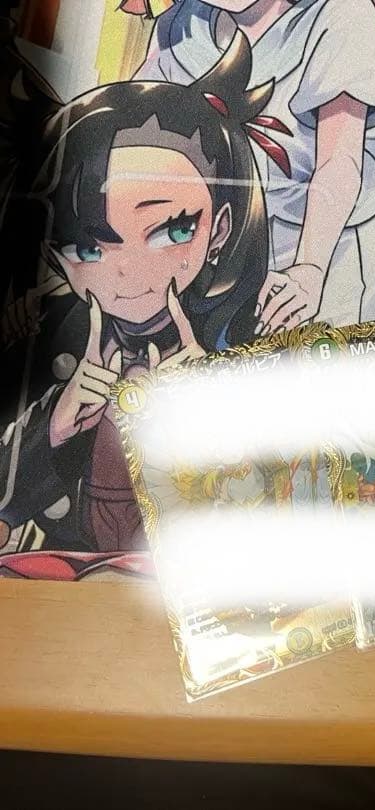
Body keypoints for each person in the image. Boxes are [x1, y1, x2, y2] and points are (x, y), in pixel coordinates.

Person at [0, 34, 274, 561]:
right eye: (88, 246)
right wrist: (55, 425)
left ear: (219, 229)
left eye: (172, 229)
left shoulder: (254, 334)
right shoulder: (44, 331)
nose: (128, 273)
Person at [132, 0, 375, 330]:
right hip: (217, 246)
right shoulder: (179, 24)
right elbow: (132, 128)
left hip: (325, 244)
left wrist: (310, 268)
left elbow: (339, 161)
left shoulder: (340, 14)